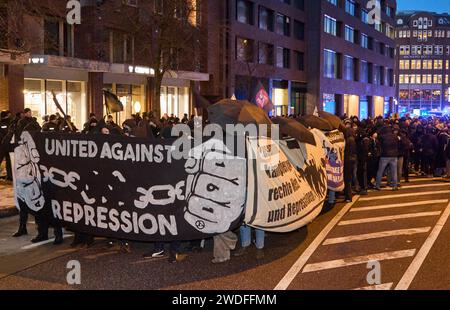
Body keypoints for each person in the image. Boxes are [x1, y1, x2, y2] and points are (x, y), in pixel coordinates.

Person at [376, 126, 399, 191]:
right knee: (394, 172)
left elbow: (378, 140)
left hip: (384, 155)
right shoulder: (395, 136)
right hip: (394, 156)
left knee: (380, 171)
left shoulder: (382, 137)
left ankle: (377, 185)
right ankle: (395, 186)